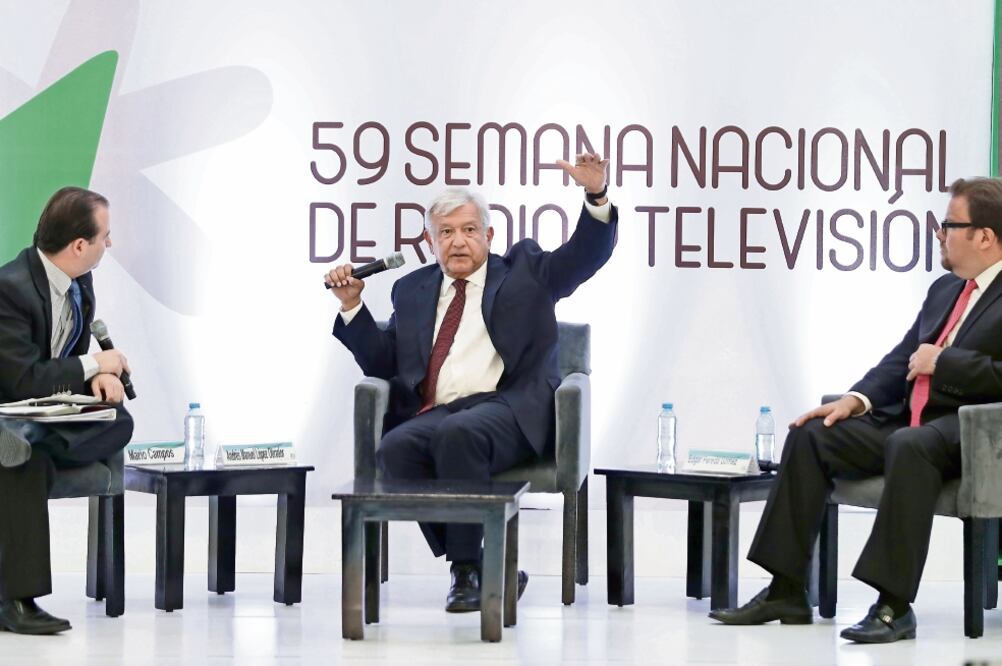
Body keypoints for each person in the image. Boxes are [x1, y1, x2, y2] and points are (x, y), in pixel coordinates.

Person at [710, 177, 1002, 643]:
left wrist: (946, 362)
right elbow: (900, 359)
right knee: (813, 433)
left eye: (948, 224)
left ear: (984, 236)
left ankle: (893, 606)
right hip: (910, 424)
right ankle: (786, 589)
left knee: (912, 444)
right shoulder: (945, 290)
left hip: (972, 433)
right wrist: (855, 399)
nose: (940, 234)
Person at [327, 153, 617, 612]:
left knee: (456, 435)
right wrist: (352, 307)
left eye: (467, 230)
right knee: (395, 451)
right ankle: (492, 563)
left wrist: (596, 194)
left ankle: (464, 574)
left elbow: (586, 254)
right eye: (445, 232)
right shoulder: (413, 289)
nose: (457, 242)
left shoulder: (526, 271)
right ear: (430, 240)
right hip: (441, 410)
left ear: (488, 235)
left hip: (509, 407)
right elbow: (385, 364)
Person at [0, 186, 134, 634]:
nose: (108, 244)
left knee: (119, 419)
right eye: (105, 236)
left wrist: (95, 379)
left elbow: (67, 356)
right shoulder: (10, 289)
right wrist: (97, 362)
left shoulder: (80, 280)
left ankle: (37, 448)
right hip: (8, 413)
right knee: (23, 457)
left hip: (46, 419)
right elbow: (23, 379)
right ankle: (17, 603)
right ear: (80, 245)